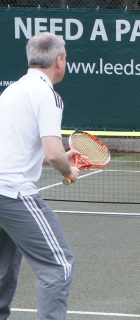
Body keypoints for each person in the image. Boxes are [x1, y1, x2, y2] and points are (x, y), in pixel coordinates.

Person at [0, 32, 80, 320]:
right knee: (59, 265)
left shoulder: (11, 91)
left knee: (4, 264)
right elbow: (53, 153)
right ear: (59, 61)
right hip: (12, 194)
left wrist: (59, 159)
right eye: (66, 58)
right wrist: (67, 168)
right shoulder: (48, 95)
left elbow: (16, 149)